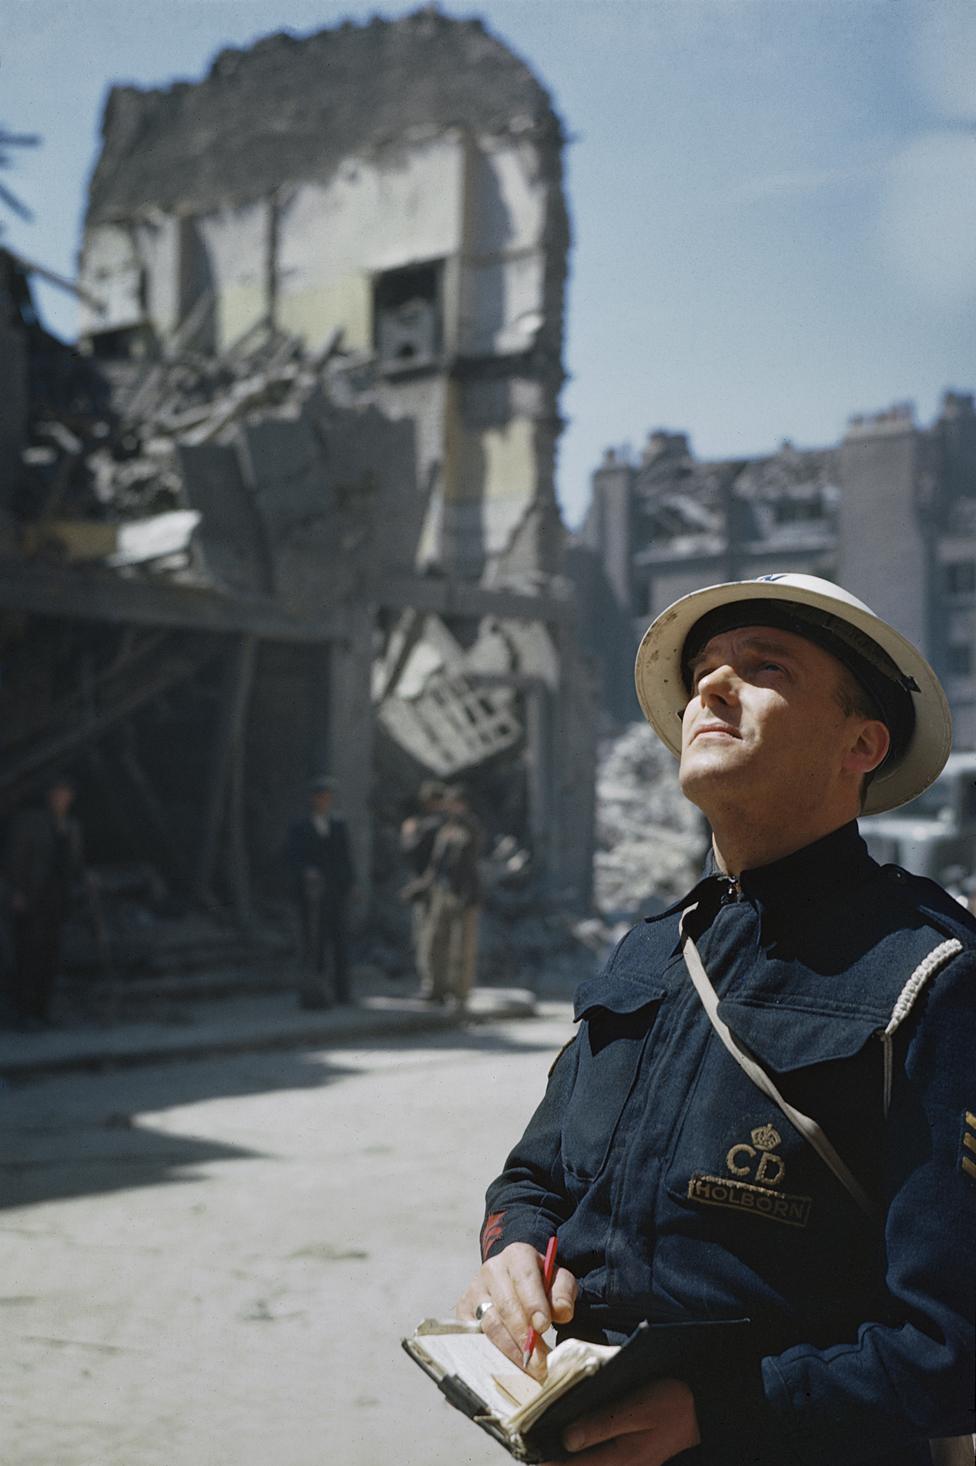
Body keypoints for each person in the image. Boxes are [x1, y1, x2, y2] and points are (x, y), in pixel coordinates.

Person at [456, 574, 975, 1466]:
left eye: (763, 667)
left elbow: (952, 1350)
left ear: (862, 742)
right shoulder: (648, 953)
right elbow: (534, 1178)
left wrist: (718, 1410)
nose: (711, 686)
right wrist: (515, 1253)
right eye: (702, 669)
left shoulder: (933, 974)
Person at [2, 773, 86, 1029]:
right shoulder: (28, 822)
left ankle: (42, 1010)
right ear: (48, 795)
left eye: (66, 793)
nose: (61, 798)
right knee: (29, 954)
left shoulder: (71, 826)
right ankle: (23, 1011)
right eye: (57, 793)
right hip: (31, 896)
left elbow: (74, 864)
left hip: (57, 899)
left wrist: (86, 878)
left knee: (51, 954)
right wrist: (14, 891)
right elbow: (12, 860)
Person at [286, 776, 356, 1007]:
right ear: (313, 800)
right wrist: (306, 872)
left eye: (328, 798)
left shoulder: (338, 825)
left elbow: (346, 860)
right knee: (313, 943)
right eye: (320, 798)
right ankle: (314, 993)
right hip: (312, 896)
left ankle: (342, 993)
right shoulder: (300, 827)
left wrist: (349, 886)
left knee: (340, 943)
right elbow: (293, 858)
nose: (324, 802)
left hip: (335, 894)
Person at [424, 783, 482, 1009]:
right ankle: (437, 988)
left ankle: (460, 993)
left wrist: (462, 820)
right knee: (435, 941)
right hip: (443, 890)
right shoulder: (445, 828)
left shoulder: (469, 826)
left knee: (461, 945)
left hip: (464, 891)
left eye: (454, 804)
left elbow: (469, 853)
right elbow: (437, 862)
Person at [398, 779, 447, 998]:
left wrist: (410, 833)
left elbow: (411, 851)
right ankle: (435, 982)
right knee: (429, 936)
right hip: (433, 886)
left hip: (432, 886)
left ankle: (433, 984)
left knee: (429, 937)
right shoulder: (440, 824)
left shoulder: (432, 826)